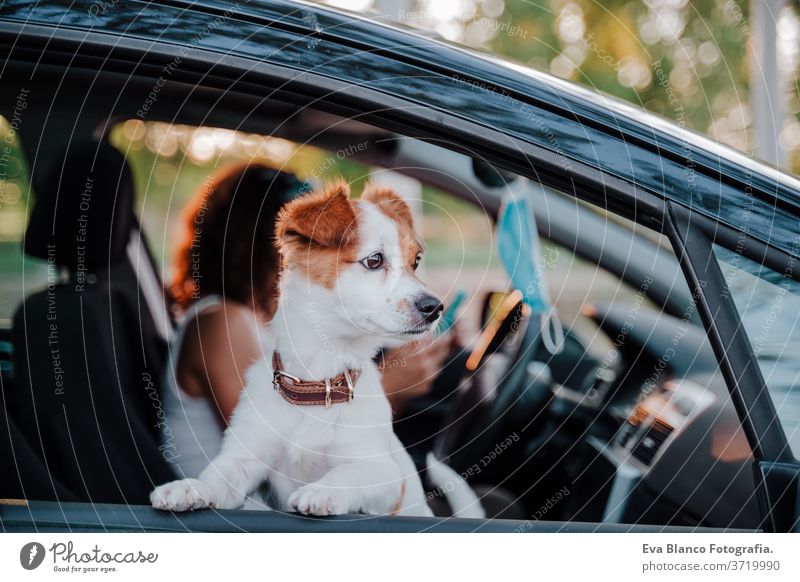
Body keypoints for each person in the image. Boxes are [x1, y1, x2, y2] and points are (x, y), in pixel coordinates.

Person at [161, 163, 454, 488]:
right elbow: (277, 452)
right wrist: (389, 384)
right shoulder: (220, 322)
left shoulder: (266, 319)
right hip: (251, 521)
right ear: (270, 241)